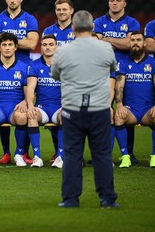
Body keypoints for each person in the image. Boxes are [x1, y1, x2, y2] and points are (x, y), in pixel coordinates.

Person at [51, 10, 118, 208]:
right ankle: (107, 198)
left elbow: (55, 75)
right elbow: (112, 69)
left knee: (72, 155)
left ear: (72, 28)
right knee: (102, 155)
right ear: (93, 27)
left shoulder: (63, 51)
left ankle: (70, 199)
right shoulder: (106, 48)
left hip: (72, 109)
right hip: (99, 109)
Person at [0, 0, 39, 165]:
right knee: (2, 104)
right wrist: (17, 41)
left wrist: (8, 40)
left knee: (23, 109)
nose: (12, 0)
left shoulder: (30, 19)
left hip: (25, 68)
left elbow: (33, 43)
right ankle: (6, 152)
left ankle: (23, 151)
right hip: (3, 68)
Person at [94, 0, 141, 163]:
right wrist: (118, 42)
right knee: (102, 112)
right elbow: (96, 42)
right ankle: (102, 153)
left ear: (124, 4)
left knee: (124, 110)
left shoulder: (132, 22)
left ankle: (128, 153)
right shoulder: (98, 22)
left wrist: (106, 39)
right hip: (103, 72)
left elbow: (131, 44)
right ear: (108, 3)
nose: (114, 3)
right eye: (111, 0)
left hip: (126, 72)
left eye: (118, 0)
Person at [114, 31, 155, 168]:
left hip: (148, 109)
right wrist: (120, 104)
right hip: (131, 110)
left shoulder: (154, 63)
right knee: (118, 116)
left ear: (144, 43)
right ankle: (125, 156)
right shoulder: (122, 63)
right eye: (132, 40)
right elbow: (119, 85)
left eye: (138, 40)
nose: (135, 43)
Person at [0, 32, 29, 167]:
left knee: (21, 116)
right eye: (4, 45)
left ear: (15, 47)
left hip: (16, 107)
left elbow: (28, 93)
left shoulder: (24, 68)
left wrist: (25, 102)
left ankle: (19, 154)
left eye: (10, 45)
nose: (7, 48)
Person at [42, 0, 75, 164]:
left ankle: (69, 152)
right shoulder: (48, 30)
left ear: (71, 11)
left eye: (64, 9)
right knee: (56, 117)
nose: (61, 12)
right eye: (58, 10)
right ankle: (58, 152)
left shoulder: (78, 31)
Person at [26, 34, 63, 168]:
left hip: (60, 107)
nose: (48, 47)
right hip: (42, 107)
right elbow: (30, 88)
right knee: (31, 116)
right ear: (41, 48)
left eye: (51, 44)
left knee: (66, 115)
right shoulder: (34, 65)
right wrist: (30, 105)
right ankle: (37, 157)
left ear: (56, 47)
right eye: (44, 45)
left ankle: (60, 156)